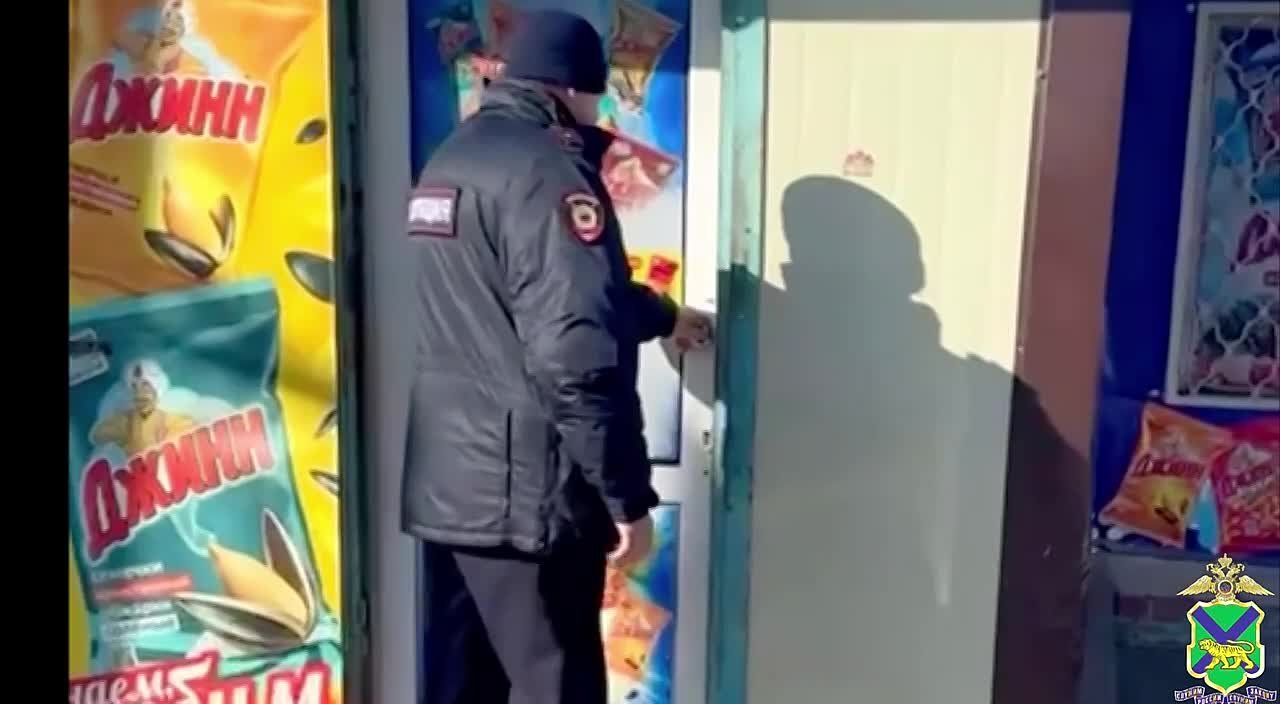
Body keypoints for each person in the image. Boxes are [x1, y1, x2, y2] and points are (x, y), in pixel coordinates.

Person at [399, 9, 712, 704]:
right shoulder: (549, 171)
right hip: (528, 504)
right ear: (574, 88)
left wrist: (662, 316)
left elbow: (524, 297)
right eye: (597, 95)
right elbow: (574, 354)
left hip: (453, 493)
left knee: (462, 689)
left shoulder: (454, 158)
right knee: (557, 688)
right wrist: (627, 499)